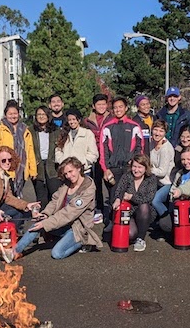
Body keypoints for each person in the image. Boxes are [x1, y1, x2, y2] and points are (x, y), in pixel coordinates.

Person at [6, 157, 103, 262]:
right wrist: (46, 214)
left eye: (71, 171)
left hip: (77, 227)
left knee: (57, 253)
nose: (69, 176)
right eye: (66, 174)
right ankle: (14, 252)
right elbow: (55, 200)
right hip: (63, 223)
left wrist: (46, 223)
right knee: (37, 224)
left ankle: (83, 242)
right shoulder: (67, 184)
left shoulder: (88, 189)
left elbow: (69, 213)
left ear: (78, 168)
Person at [100, 97, 144, 229]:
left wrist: (135, 165)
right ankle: (113, 224)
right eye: (115, 107)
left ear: (126, 108)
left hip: (129, 168)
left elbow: (139, 148)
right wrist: (105, 169)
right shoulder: (107, 127)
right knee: (114, 197)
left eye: (120, 107)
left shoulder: (134, 126)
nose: (118, 109)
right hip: (113, 168)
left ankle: (131, 224)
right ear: (112, 110)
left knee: (129, 196)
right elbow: (103, 150)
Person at [0, 100, 37, 198]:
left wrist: (33, 170)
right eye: (10, 114)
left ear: (19, 114)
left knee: (17, 195)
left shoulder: (25, 130)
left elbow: (30, 151)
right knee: (5, 196)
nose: (13, 116)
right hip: (5, 169)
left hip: (21, 168)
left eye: (15, 113)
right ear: (5, 114)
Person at [111, 154, 157, 252]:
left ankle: (141, 239)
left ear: (145, 168)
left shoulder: (151, 179)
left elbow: (149, 198)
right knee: (130, 234)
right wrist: (118, 199)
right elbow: (119, 190)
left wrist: (131, 197)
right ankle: (134, 232)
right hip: (129, 210)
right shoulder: (127, 176)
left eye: (140, 167)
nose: (136, 170)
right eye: (134, 166)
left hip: (144, 211)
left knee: (144, 206)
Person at [84, 94, 114, 223]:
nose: (101, 106)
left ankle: (113, 210)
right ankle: (99, 209)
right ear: (93, 106)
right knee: (95, 184)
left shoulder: (112, 118)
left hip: (109, 155)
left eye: (103, 104)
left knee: (111, 183)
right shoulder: (87, 121)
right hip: (94, 155)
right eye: (98, 104)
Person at [30, 105, 62, 208]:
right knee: (41, 197)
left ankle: (55, 220)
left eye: (43, 114)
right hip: (37, 165)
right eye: (39, 114)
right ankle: (43, 219)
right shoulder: (30, 131)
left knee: (54, 194)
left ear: (48, 116)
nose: (41, 116)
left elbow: (60, 147)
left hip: (52, 166)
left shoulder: (55, 130)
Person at [55, 108, 98, 177]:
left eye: (74, 119)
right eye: (69, 120)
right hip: (67, 172)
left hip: (83, 172)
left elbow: (93, 153)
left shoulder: (87, 133)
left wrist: (84, 163)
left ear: (79, 120)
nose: (72, 122)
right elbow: (58, 150)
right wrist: (62, 161)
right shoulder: (64, 134)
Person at [149, 120, 176, 217]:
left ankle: (168, 220)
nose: (157, 133)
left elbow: (162, 172)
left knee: (155, 201)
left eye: (161, 131)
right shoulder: (152, 143)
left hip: (167, 182)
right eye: (155, 130)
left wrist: (148, 169)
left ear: (165, 133)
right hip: (155, 182)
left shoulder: (166, 148)